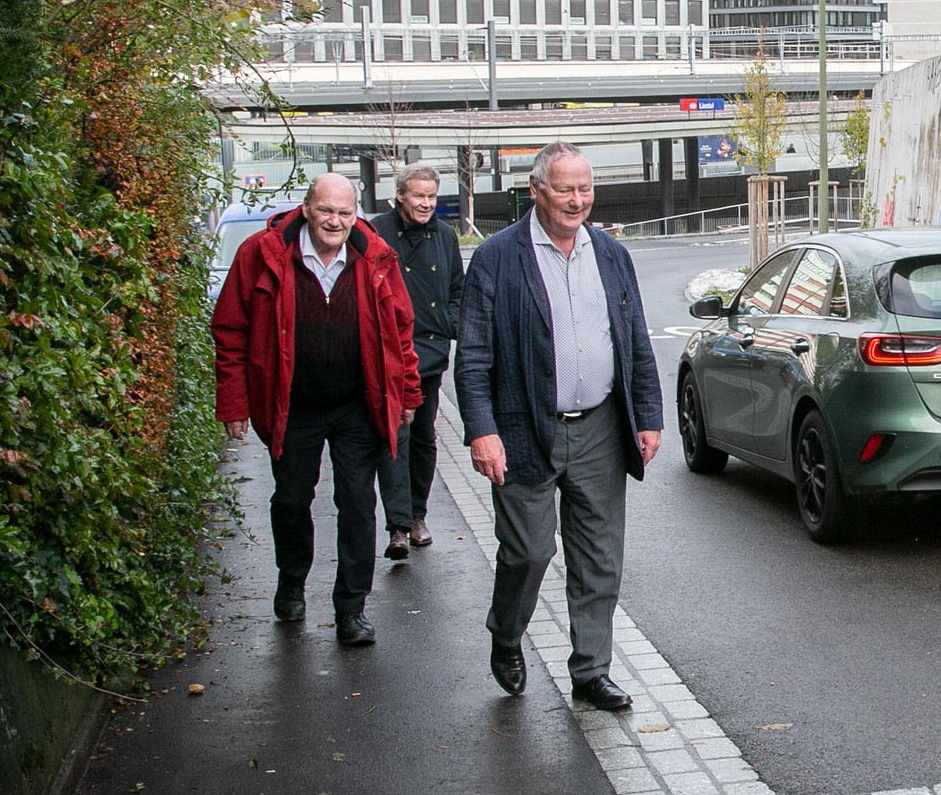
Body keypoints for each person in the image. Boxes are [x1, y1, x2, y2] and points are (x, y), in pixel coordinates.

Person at [455, 142, 663, 707]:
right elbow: (472, 355)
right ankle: (506, 632)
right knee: (528, 550)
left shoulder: (612, 255)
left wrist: (647, 416)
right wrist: (482, 429)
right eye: (566, 189)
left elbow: (634, 344)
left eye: (586, 189)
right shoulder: (498, 257)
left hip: (599, 425)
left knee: (599, 554)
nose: (578, 201)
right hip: (523, 427)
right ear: (536, 190)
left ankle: (591, 670)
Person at [212, 174, 422, 647]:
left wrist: (408, 394)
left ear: (357, 214)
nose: (336, 221)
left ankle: (351, 609)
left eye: (345, 213)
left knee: (357, 504)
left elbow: (400, 331)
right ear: (306, 208)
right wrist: (234, 403)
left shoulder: (376, 257)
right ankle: (291, 581)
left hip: (356, 403)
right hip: (291, 404)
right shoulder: (261, 255)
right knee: (290, 501)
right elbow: (230, 332)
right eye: (327, 210)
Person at [371, 163, 464, 558]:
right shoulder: (376, 233)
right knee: (395, 438)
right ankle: (397, 526)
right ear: (400, 196)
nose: (426, 203)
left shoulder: (445, 236)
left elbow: (459, 290)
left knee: (424, 439)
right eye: (418, 196)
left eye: (431, 197)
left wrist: (446, 325)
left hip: (429, 355)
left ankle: (418, 515)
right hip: (388, 356)